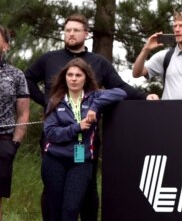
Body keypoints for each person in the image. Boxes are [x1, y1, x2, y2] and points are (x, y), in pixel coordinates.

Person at [24, 13, 149, 221]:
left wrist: (145, 97)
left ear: (86, 34)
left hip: (86, 142)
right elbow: (27, 78)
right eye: (67, 30)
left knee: (87, 191)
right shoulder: (49, 58)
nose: (71, 34)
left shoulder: (98, 62)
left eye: (75, 30)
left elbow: (119, 88)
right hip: (55, 140)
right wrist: (48, 102)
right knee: (52, 194)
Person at [41, 58, 125, 221]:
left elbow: (121, 93)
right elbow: (51, 133)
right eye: (70, 75)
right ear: (65, 77)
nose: (73, 78)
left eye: (78, 75)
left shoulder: (94, 97)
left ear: (85, 77)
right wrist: (76, 128)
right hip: (54, 160)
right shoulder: (56, 100)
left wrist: (95, 106)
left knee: (71, 208)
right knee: (55, 208)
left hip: (81, 160)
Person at [132, 11, 182, 100]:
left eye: (181, 25)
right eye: (175, 26)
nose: (176, 29)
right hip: (168, 112)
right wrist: (146, 49)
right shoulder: (164, 56)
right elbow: (136, 73)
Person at [0, 26, 29, 220]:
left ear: (6, 46)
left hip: (3, 141)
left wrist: (15, 143)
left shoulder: (16, 75)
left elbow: (24, 113)